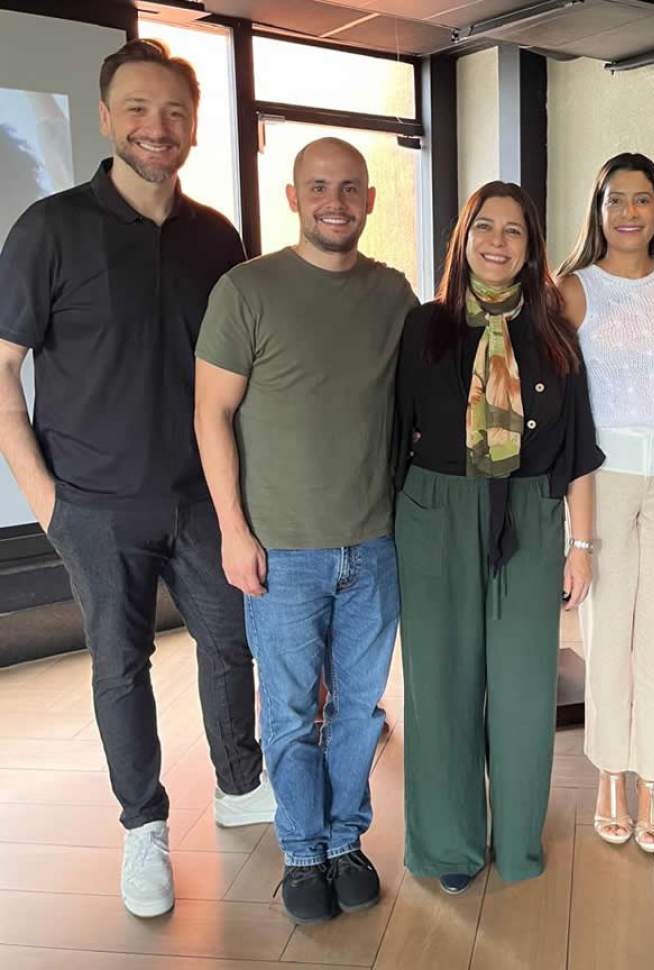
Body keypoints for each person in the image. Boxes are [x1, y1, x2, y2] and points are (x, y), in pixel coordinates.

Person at [0, 39, 274, 920]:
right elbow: (2, 370)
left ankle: (240, 783)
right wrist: (47, 503)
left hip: (203, 497)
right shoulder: (49, 229)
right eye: (139, 109)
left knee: (231, 646)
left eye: (175, 112)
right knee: (121, 666)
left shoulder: (217, 237)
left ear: (193, 125)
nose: (158, 127)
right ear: (107, 117)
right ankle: (143, 824)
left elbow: (237, 376)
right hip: (93, 503)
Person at [194, 137, 417, 925]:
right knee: (289, 711)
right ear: (293, 197)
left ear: (369, 199)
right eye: (318, 186)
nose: (335, 201)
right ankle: (301, 850)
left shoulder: (392, 294)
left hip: (374, 546)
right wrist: (233, 531)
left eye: (350, 187)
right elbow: (211, 414)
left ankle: (346, 840)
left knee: (359, 710)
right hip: (281, 551)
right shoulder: (246, 290)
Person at [394, 181, 603, 893]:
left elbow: (578, 451)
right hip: (435, 512)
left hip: (532, 513)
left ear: (531, 248)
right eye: (485, 226)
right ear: (463, 238)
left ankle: (516, 842)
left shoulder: (553, 337)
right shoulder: (423, 327)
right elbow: (394, 435)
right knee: (441, 682)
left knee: (522, 689)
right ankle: (449, 847)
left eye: (514, 231)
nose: (498, 242)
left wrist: (582, 547)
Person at [557, 153, 654, 854]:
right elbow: (561, 402)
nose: (628, 212)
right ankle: (611, 773)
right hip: (606, 475)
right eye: (615, 200)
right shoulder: (573, 289)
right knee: (608, 626)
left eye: (642, 199)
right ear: (598, 211)